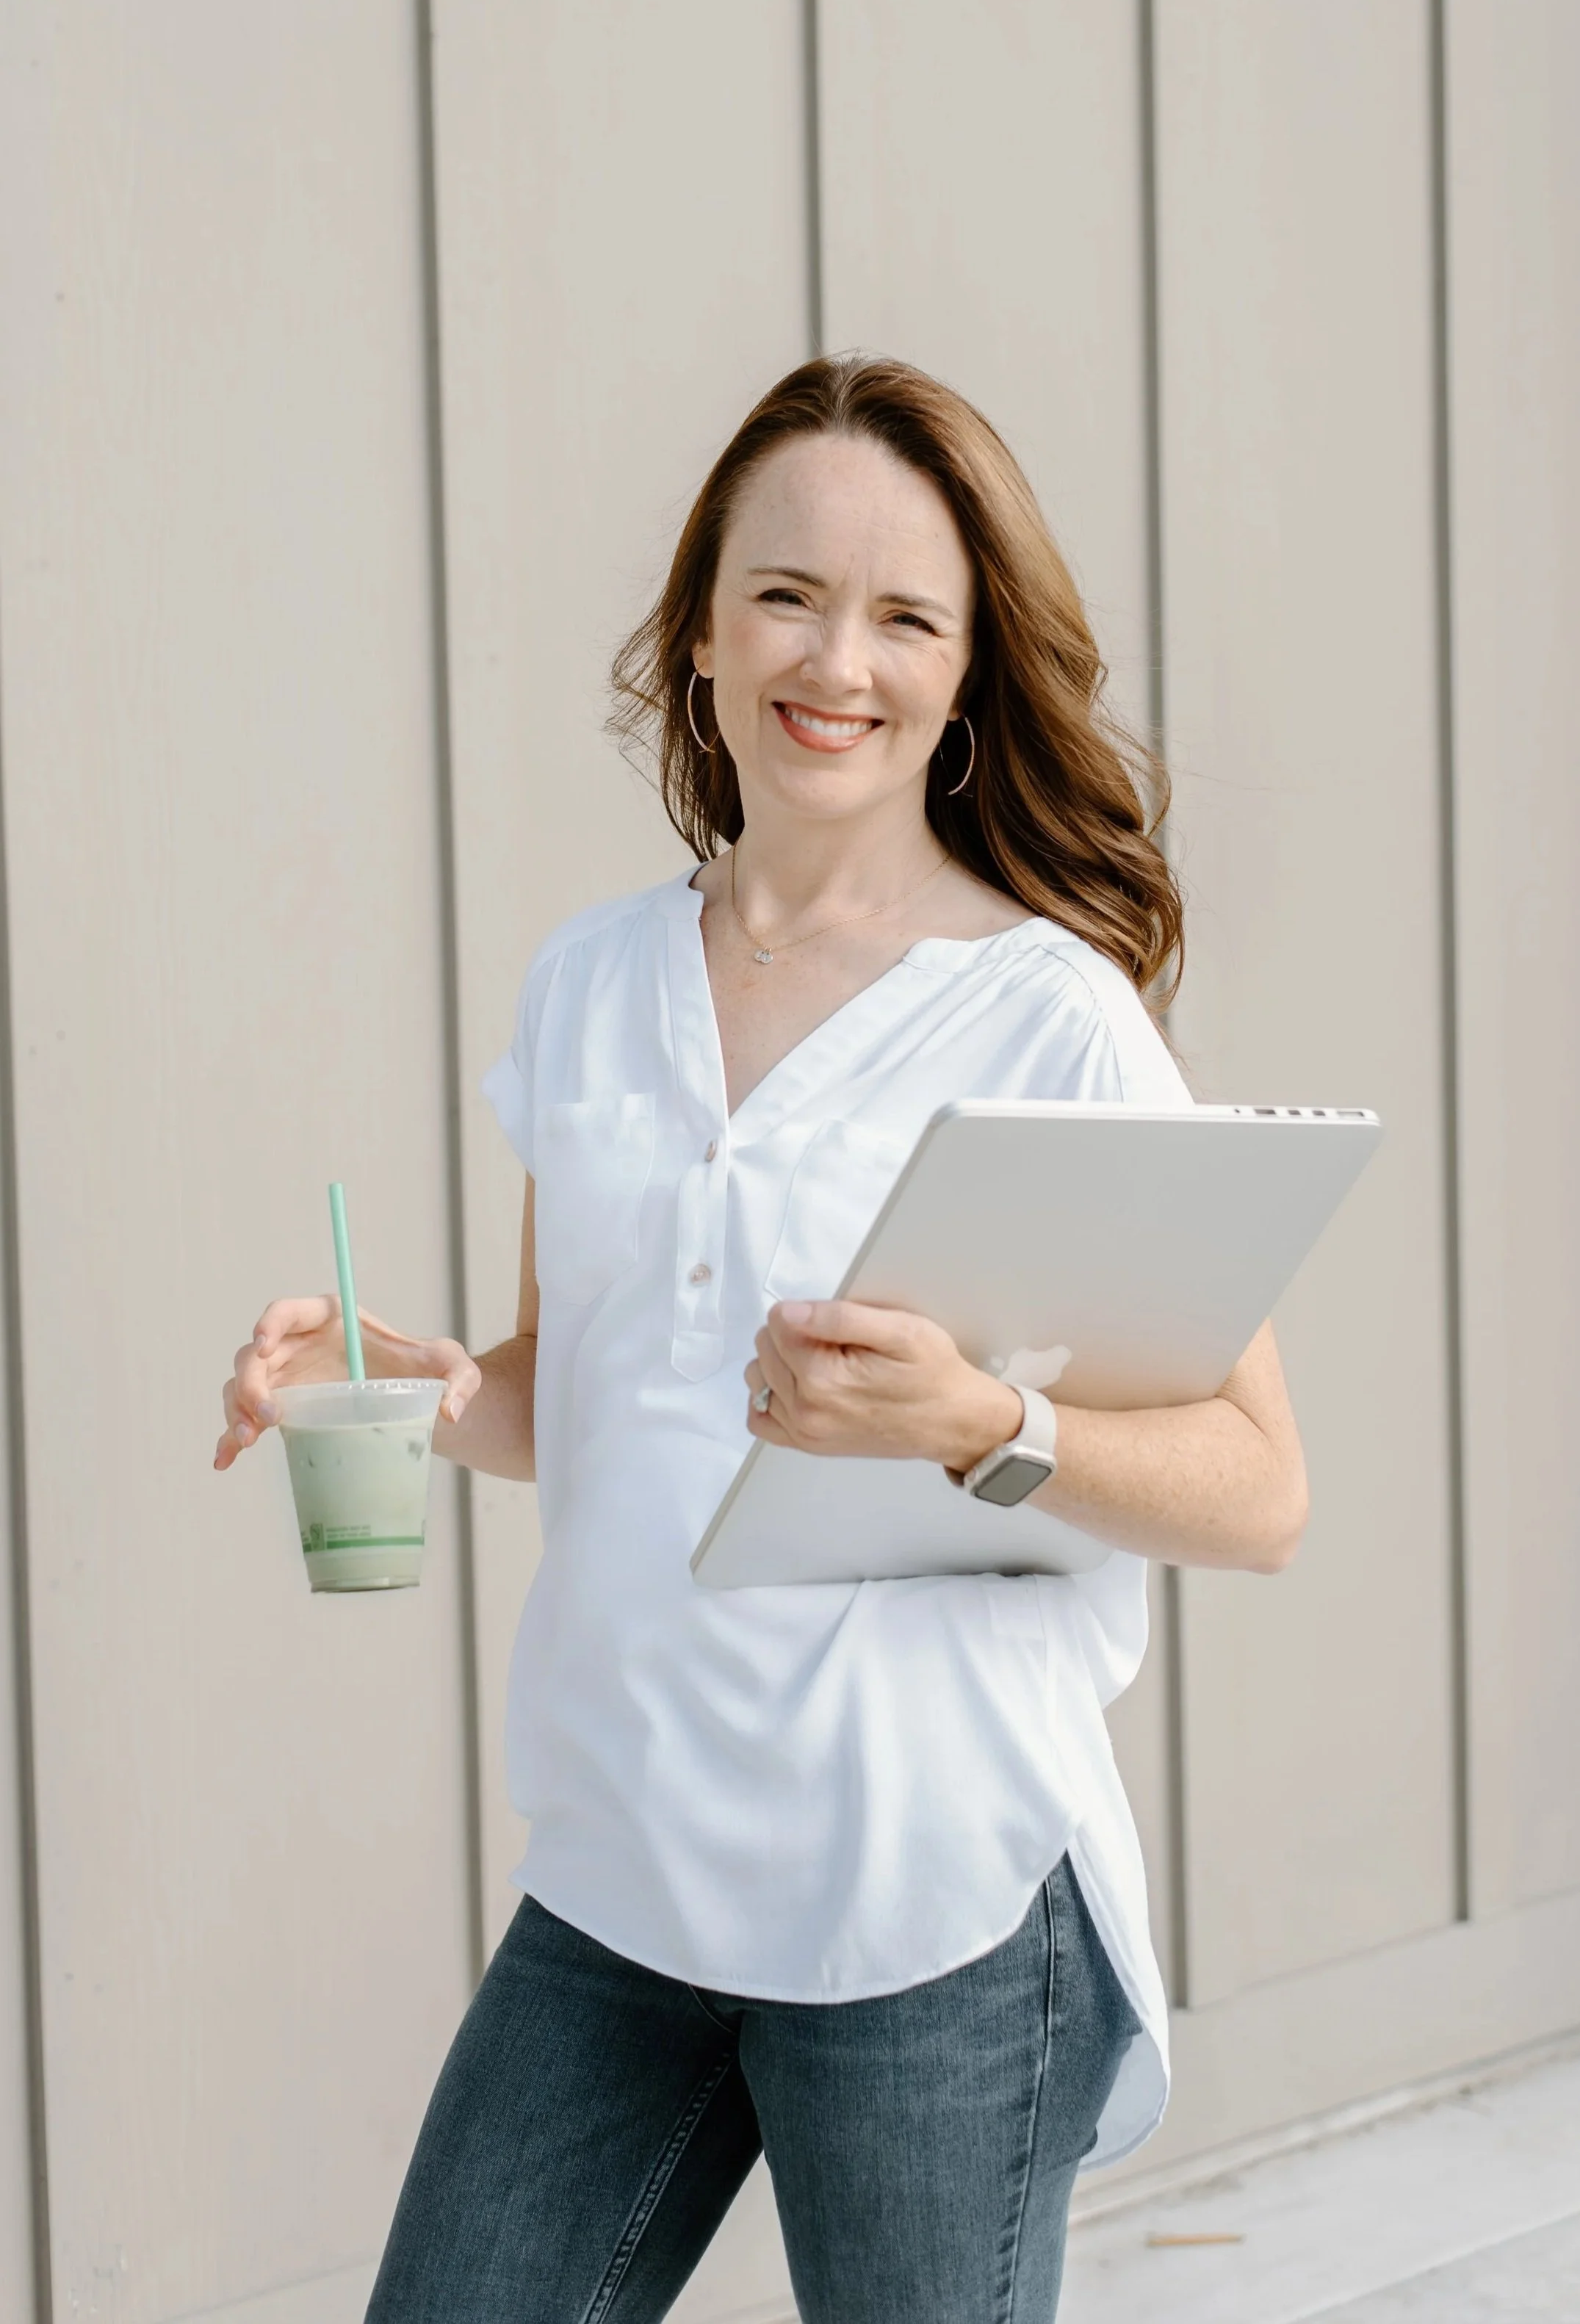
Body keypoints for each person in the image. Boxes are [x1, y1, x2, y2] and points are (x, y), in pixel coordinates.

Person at [216, 356, 1307, 2323]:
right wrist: (410, 1378)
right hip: (631, 1861)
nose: (840, 659)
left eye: (907, 616)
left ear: (966, 675)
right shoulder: (591, 981)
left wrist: (978, 1416)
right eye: (789, 593)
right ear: (702, 628)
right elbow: (586, 1393)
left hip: (932, 1895)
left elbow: (1258, 1489)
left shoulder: (1045, 1019)